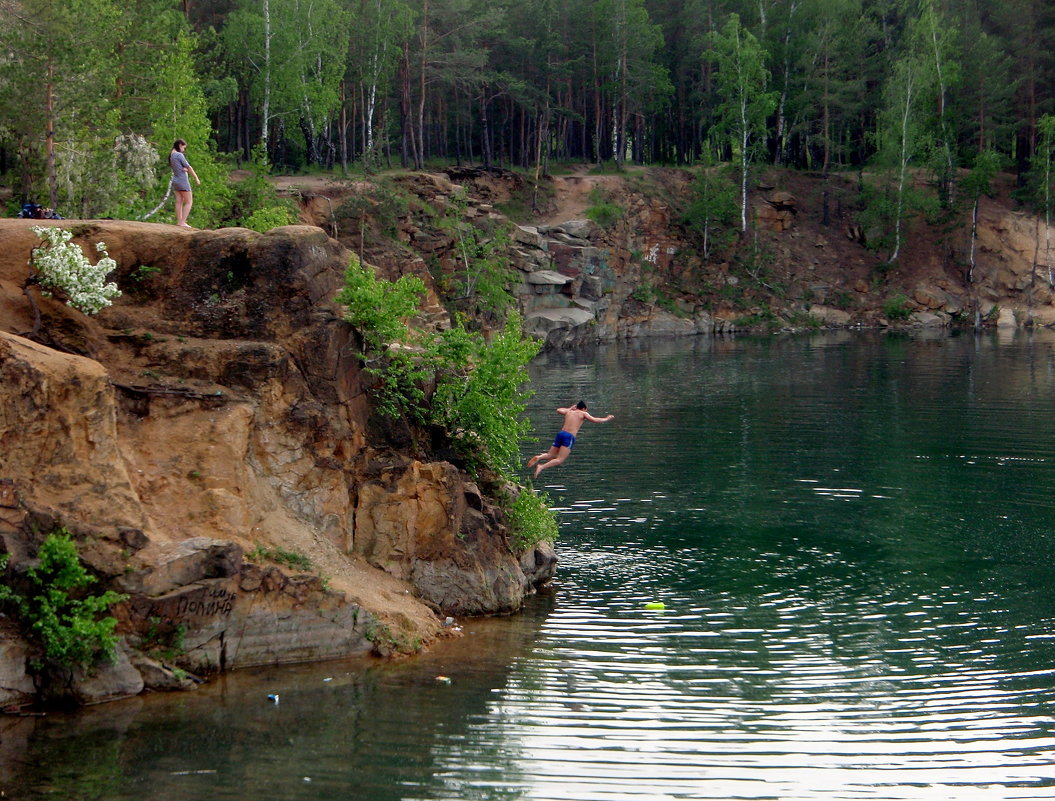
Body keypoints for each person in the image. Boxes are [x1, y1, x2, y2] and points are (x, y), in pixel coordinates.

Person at [528, 401, 614, 479]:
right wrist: (607, 418)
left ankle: (539, 457)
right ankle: (541, 467)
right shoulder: (583, 413)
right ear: (584, 408)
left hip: (561, 434)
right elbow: (595, 420)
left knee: (550, 455)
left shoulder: (569, 412)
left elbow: (558, 410)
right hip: (569, 437)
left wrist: (570, 408)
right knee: (560, 459)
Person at [169, 139, 201, 228]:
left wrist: (185, 169)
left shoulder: (172, 155)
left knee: (179, 201)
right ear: (180, 145)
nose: (184, 149)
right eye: (183, 147)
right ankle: (183, 222)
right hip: (182, 181)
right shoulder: (179, 155)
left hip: (175, 180)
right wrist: (196, 178)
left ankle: (179, 221)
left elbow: (180, 168)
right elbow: (189, 167)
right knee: (189, 202)